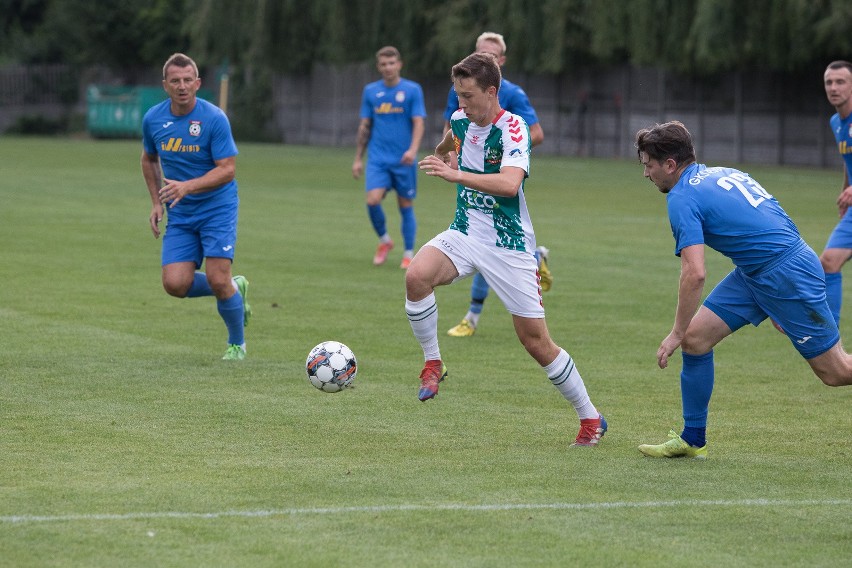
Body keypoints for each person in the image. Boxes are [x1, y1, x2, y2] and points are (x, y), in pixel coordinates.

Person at [408, 52, 606, 447]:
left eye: (468, 95)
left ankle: (591, 418)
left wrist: (455, 174)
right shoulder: (462, 118)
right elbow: (450, 136)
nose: (461, 103)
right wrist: (446, 149)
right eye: (458, 95)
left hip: (508, 244)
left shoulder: (513, 128)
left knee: (535, 341)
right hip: (465, 232)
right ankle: (433, 362)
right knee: (416, 276)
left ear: (492, 91)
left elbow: (510, 185)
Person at [635, 120, 852, 460]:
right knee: (696, 339)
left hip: (784, 275)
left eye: (648, 165)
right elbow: (776, 216)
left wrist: (674, 332)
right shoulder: (723, 172)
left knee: (836, 372)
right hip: (760, 271)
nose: (646, 174)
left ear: (670, 165)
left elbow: (695, 273)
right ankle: (693, 438)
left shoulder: (681, 197)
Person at [141, 52, 251, 361]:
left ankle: (236, 345)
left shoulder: (213, 118)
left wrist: (186, 186)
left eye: (188, 80)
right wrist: (155, 202)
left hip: (217, 207)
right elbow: (148, 158)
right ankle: (234, 287)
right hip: (181, 212)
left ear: (198, 83)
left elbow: (227, 169)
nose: (182, 86)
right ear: (165, 85)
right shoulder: (153, 118)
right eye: (175, 81)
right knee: (175, 284)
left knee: (217, 278)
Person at [443, 32, 551, 338]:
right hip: (472, 182)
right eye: (480, 54)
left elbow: (536, 133)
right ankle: (473, 316)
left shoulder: (512, 94)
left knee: (494, 237)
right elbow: (452, 129)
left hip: (502, 176)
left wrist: (505, 155)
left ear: (501, 63)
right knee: (481, 237)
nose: (485, 59)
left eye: (491, 56)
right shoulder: (464, 88)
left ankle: (472, 315)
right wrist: (451, 154)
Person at [352, 46, 426, 269]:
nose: (388, 68)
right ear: (378, 67)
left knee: (405, 204)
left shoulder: (412, 90)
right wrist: (358, 158)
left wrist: (413, 150)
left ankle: (408, 253)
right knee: (372, 200)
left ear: (399, 64)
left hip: (403, 159)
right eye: (383, 64)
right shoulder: (371, 92)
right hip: (378, 158)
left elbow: (419, 122)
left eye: (392, 63)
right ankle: (385, 241)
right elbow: (365, 126)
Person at [819, 60, 852, 325]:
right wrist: (846, 192)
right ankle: (831, 339)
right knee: (828, 261)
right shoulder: (836, 121)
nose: (834, 87)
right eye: (829, 82)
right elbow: (847, 159)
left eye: (840, 81)